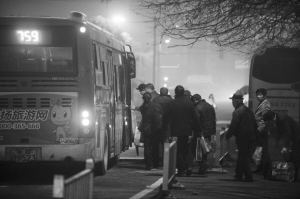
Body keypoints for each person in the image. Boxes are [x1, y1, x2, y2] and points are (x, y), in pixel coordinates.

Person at [163, 85, 200, 177]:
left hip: (175, 130)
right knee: (186, 148)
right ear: (183, 92)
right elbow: (196, 117)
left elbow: (165, 117)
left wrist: (164, 129)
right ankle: (188, 166)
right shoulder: (189, 103)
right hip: (187, 130)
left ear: (175, 93)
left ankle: (181, 169)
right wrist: (198, 129)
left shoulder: (172, 103)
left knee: (178, 150)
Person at [225, 94, 257, 182]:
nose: (232, 103)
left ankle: (248, 176)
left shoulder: (237, 112)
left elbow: (233, 125)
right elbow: (255, 124)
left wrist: (228, 135)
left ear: (237, 101)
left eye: (233, 101)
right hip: (251, 136)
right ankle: (238, 174)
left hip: (242, 137)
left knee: (244, 156)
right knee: (242, 156)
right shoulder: (249, 111)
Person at [263, 110, 300, 182]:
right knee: (293, 156)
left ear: (272, 118)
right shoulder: (278, 119)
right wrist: (276, 140)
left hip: (298, 136)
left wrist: (285, 146)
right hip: (295, 137)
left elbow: (288, 133)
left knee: (294, 155)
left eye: (269, 121)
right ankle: (293, 174)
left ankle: (294, 176)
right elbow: (279, 131)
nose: (269, 123)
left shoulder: (283, 119)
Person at [191, 94, 216, 175]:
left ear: (195, 99)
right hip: (209, 131)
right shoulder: (210, 106)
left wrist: (197, 131)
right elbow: (213, 119)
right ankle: (203, 168)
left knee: (196, 150)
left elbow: (196, 121)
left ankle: (203, 164)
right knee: (204, 150)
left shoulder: (197, 107)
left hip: (200, 132)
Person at [139, 92, 164, 170]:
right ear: (150, 97)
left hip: (146, 129)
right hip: (155, 129)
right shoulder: (155, 105)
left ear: (143, 98)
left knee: (147, 147)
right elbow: (160, 115)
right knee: (155, 146)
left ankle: (148, 165)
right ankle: (155, 164)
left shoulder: (142, 107)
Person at [253, 88, 271, 179]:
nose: (258, 96)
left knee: (263, 150)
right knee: (259, 150)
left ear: (265, 95)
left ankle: (264, 169)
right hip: (260, 129)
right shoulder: (261, 103)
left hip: (262, 130)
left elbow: (265, 119)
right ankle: (259, 168)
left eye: (260, 95)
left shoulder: (265, 105)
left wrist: (260, 129)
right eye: (257, 94)